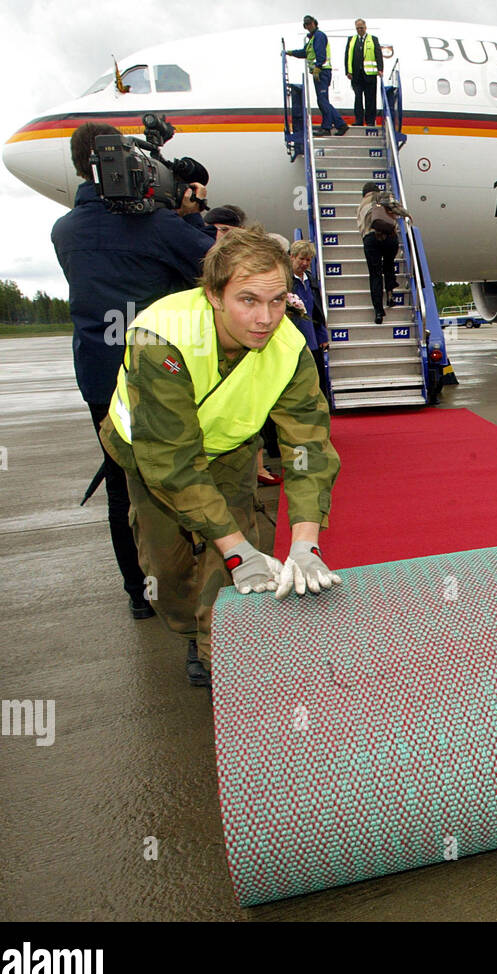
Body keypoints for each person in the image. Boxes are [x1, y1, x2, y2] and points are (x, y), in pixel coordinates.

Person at [100, 227, 343, 688]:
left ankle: (222, 655)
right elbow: (172, 462)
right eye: (248, 300)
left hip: (229, 453)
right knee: (166, 570)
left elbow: (307, 448)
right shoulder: (161, 337)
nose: (265, 318)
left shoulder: (290, 347)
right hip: (152, 455)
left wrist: (305, 540)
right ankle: (189, 629)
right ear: (213, 294)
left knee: (233, 569)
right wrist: (235, 548)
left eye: (276, 301)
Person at [51, 121, 214, 620]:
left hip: (101, 378)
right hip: (159, 373)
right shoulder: (158, 225)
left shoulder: (65, 229)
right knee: (185, 475)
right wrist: (186, 214)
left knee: (123, 487)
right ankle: (192, 595)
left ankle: (138, 593)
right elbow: (217, 267)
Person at [357, 183, 411, 325]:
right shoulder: (382, 196)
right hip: (388, 236)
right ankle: (390, 295)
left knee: (375, 274)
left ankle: (378, 311)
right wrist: (407, 215)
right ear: (375, 190)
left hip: (370, 239)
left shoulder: (360, 206)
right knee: (388, 264)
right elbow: (396, 207)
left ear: (364, 194)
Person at [287, 15, 348, 137]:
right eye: (306, 25)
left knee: (322, 100)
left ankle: (331, 126)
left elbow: (321, 53)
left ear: (315, 23)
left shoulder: (319, 36)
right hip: (319, 72)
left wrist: (318, 67)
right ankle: (337, 125)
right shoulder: (312, 39)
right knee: (323, 100)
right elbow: (304, 52)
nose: (309, 26)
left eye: (310, 23)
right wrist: (291, 53)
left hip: (322, 71)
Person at [289, 239, 331, 399]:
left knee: (317, 380)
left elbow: (317, 312)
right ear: (292, 257)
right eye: (301, 259)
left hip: (312, 341)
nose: (305, 263)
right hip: (293, 341)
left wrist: (322, 336)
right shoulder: (284, 280)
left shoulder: (311, 281)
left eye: (308, 260)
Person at [345, 19, 384, 127]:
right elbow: (347, 56)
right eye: (357, 28)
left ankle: (370, 121)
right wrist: (347, 71)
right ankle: (358, 120)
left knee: (370, 99)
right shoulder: (351, 40)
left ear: (365, 28)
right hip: (356, 75)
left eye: (361, 28)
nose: (359, 30)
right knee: (358, 98)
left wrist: (380, 69)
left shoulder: (373, 39)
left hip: (369, 75)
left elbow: (378, 55)